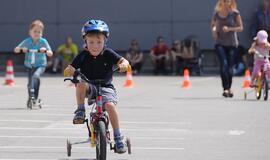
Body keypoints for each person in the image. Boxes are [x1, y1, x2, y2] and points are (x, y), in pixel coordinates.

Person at [63, 19, 129, 153]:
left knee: (110, 106)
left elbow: (122, 60)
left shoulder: (108, 53)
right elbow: (71, 67)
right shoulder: (83, 55)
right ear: (85, 42)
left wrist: (124, 64)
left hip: (106, 87)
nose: (95, 46)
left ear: (105, 41)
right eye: (91, 42)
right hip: (90, 86)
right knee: (80, 83)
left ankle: (117, 136)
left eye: (99, 42)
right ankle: (80, 110)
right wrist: (69, 70)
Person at [14, 20, 53, 104]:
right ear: (30, 32)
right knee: (29, 84)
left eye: (39, 32)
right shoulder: (27, 41)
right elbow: (16, 49)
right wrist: (21, 49)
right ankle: (31, 98)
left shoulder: (43, 42)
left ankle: (35, 97)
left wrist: (46, 50)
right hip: (29, 65)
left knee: (35, 76)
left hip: (40, 65)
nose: (36, 33)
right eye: (35, 31)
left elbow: (50, 53)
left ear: (41, 33)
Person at [211, 0, 243, 98]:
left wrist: (229, 29)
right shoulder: (217, 13)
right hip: (219, 43)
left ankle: (229, 88)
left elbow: (241, 27)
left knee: (230, 67)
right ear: (221, 2)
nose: (226, 3)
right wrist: (214, 31)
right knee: (223, 64)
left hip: (232, 44)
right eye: (225, 1)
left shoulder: (235, 13)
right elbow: (213, 25)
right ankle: (225, 88)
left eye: (228, 1)